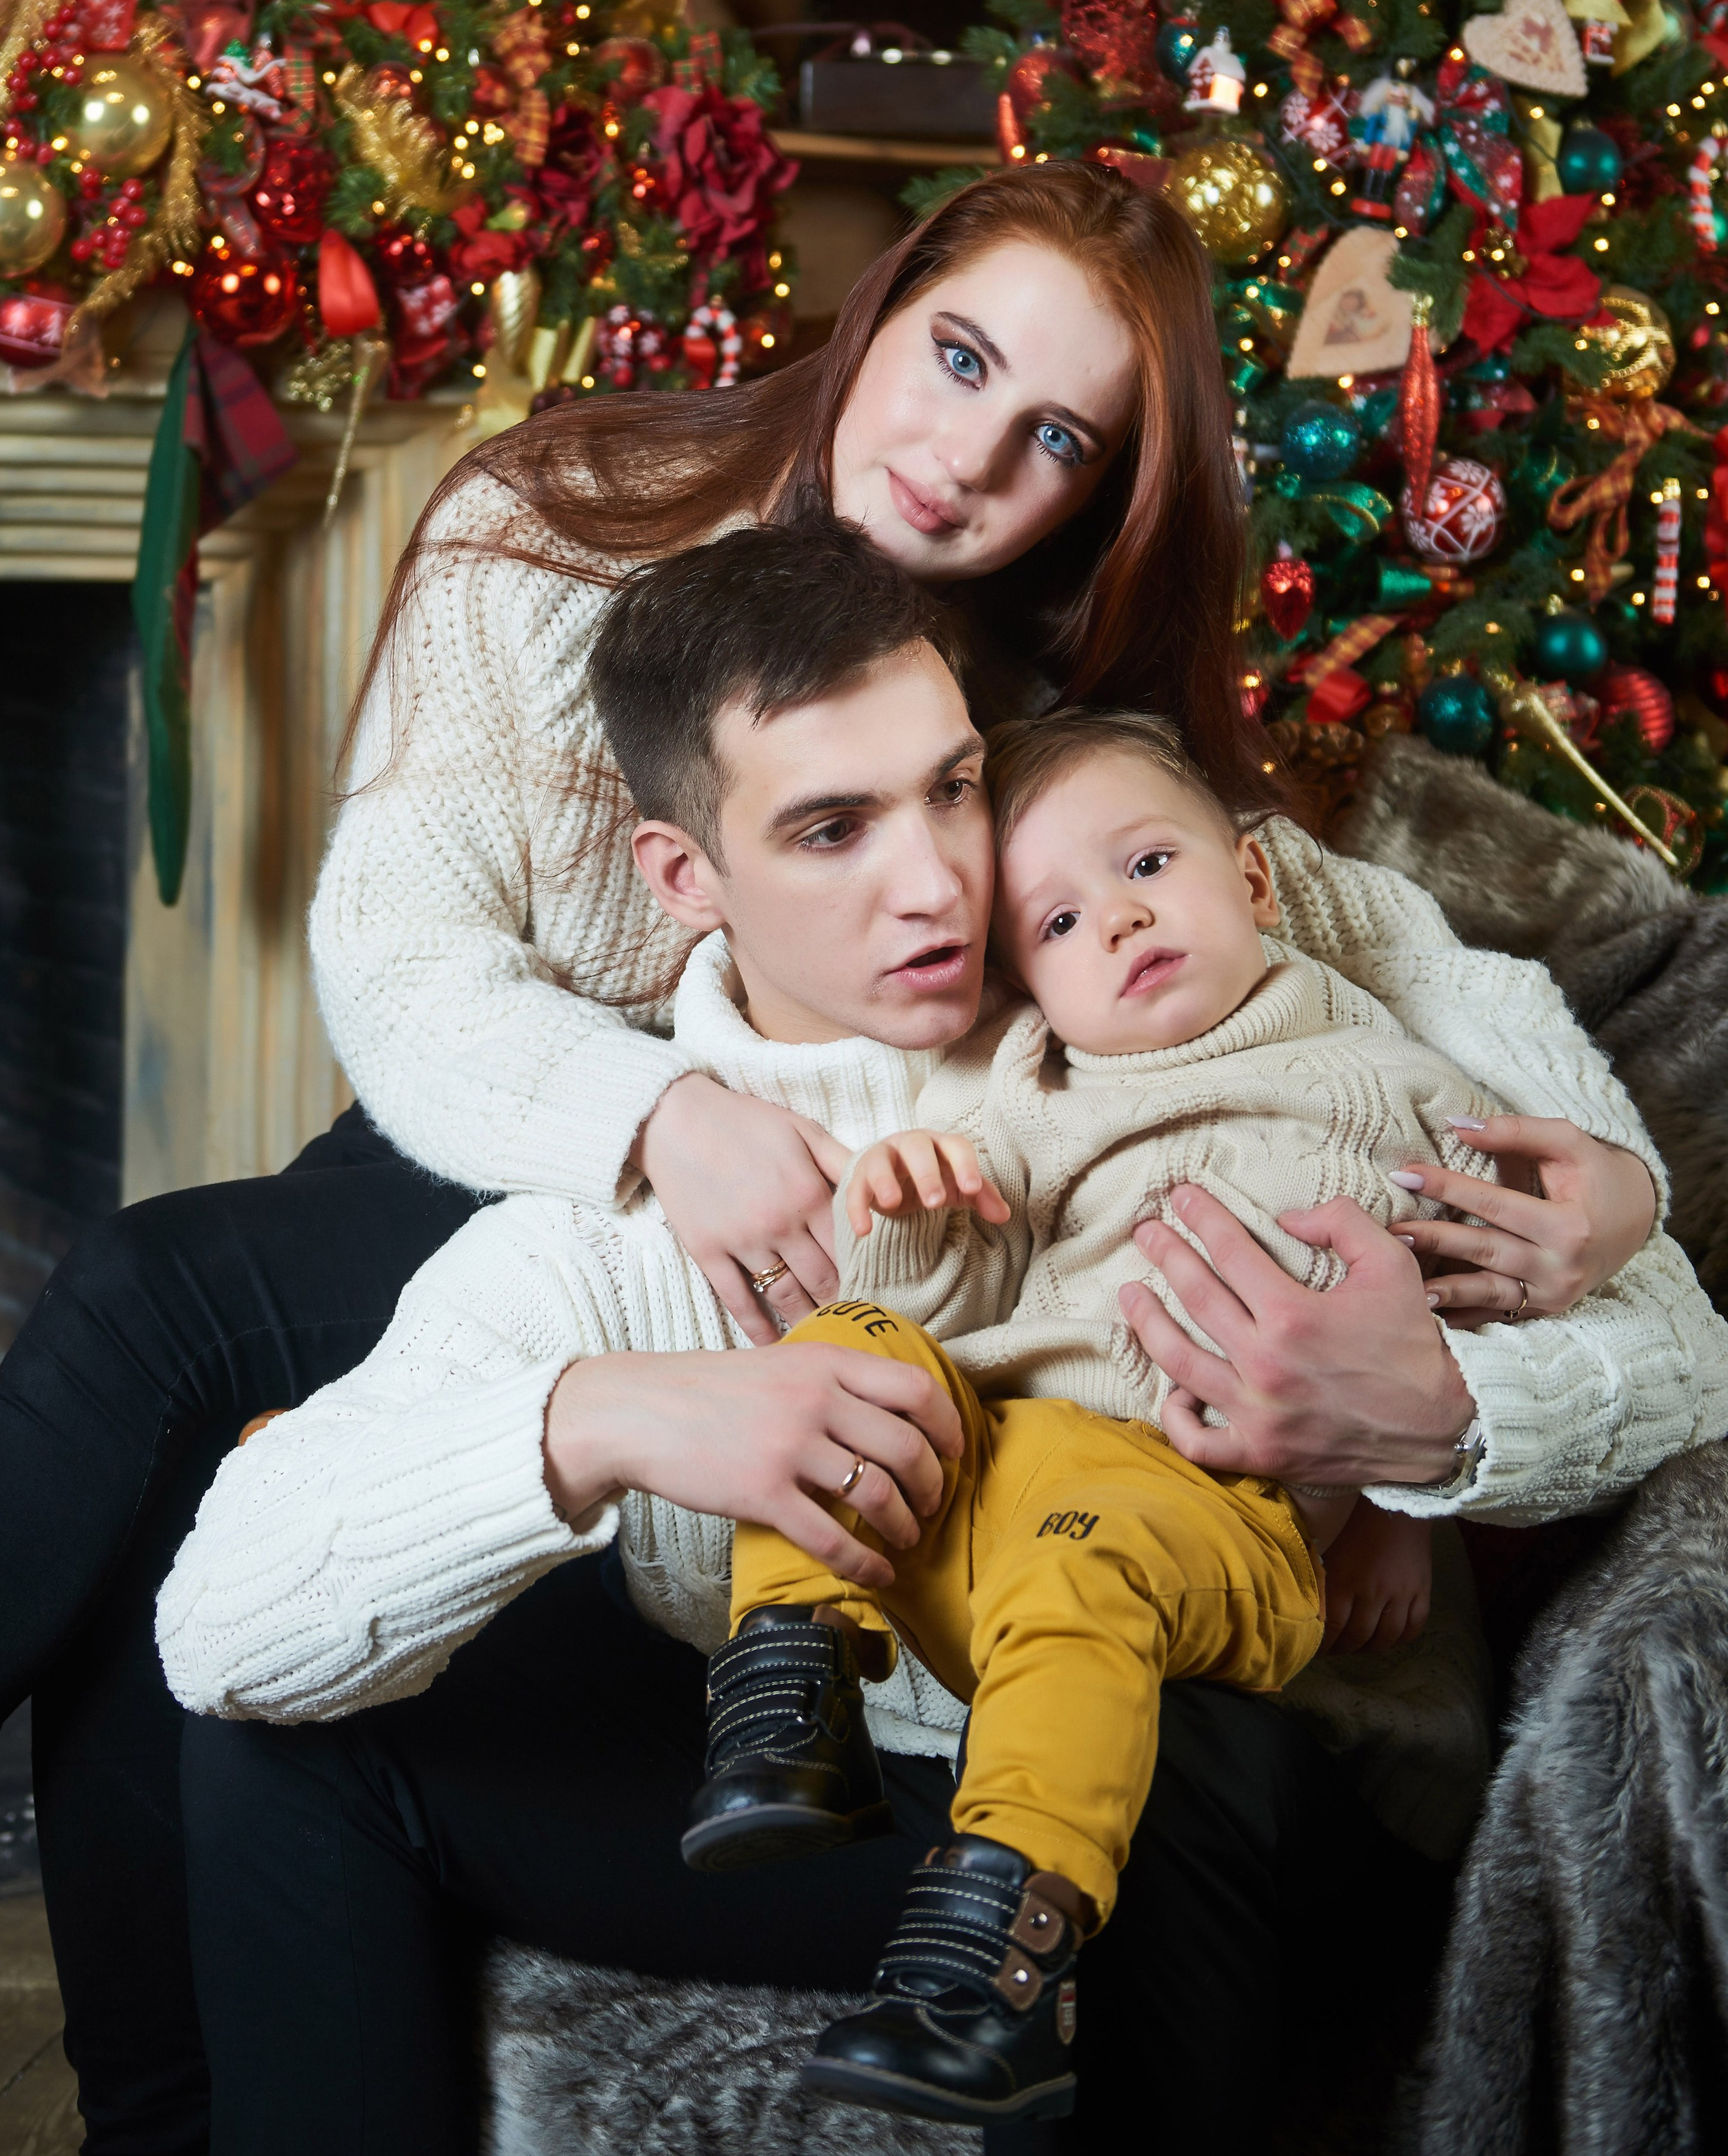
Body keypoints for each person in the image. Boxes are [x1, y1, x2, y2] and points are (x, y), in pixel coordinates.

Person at [0, 166, 1691, 2153]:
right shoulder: (561, 517)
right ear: (880, 311)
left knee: (200, 1394)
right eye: (957, 359)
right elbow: (403, 944)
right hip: (545, 1134)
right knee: (166, 1324)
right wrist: (660, 1127)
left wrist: (1589, 1217)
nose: (965, 462)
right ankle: (157, 2114)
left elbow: (1430, 1002)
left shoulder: (1077, 742)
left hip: (894, 1234)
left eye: (1056, 438)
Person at [687, 703, 1680, 2126]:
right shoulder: (1026, 1092)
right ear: (1025, 981)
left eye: (1147, 865)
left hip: (1205, 1519)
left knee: (1090, 1553)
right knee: (836, 1352)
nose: (1118, 921)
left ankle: (995, 1974)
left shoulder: (1387, 1082)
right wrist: (903, 1211)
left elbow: (1474, 1323)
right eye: (1059, 920)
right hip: (997, 1491)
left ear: (1255, 882)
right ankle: (792, 1686)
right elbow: (952, 1309)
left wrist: (1400, 1512)